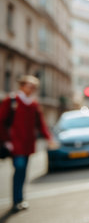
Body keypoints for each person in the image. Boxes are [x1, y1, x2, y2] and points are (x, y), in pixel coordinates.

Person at [0, 75, 55, 212]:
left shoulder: (34, 104)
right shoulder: (11, 100)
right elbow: (1, 121)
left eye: (34, 87)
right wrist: (6, 141)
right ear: (22, 86)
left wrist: (49, 138)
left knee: (23, 171)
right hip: (15, 143)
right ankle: (16, 200)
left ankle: (20, 199)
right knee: (19, 169)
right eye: (29, 86)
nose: (32, 89)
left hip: (28, 144)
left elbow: (40, 123)